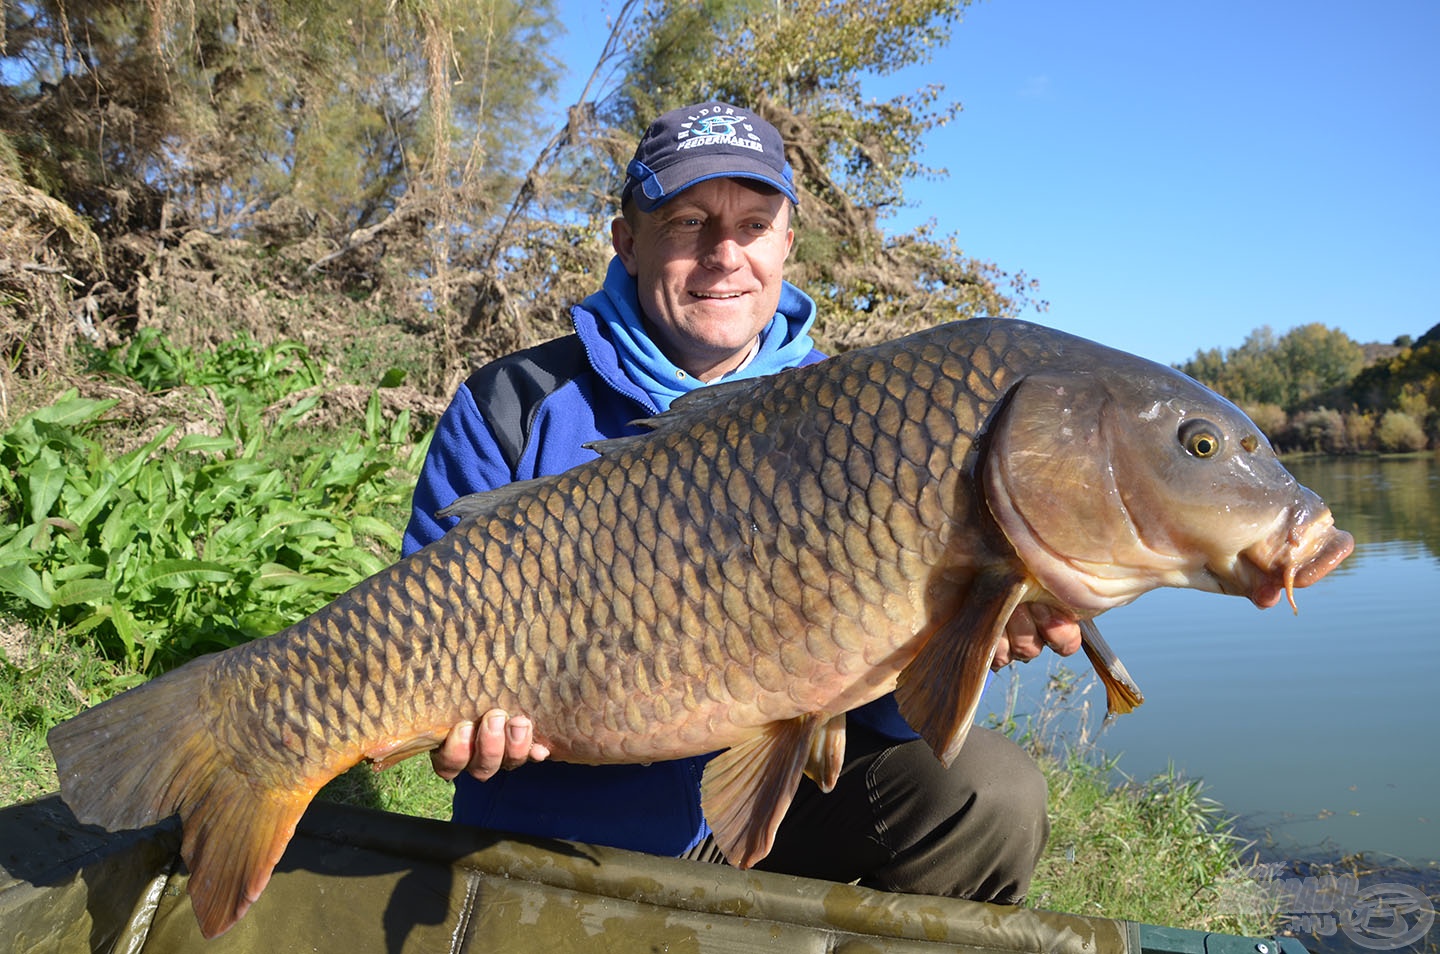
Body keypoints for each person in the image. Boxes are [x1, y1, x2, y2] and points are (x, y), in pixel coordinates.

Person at [403, 101, 1082, 904]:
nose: (726, 257)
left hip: (774, 805)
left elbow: (887, 719)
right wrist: (461, 723)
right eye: (690, 223)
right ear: (627, 241)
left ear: (786, 245)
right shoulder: (515, 402)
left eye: (755, 226)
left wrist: (958, 638)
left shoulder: (867, 417)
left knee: (988, 792)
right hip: (560, 814)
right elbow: (421, 635)